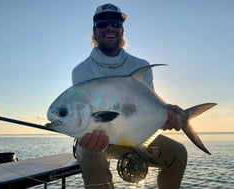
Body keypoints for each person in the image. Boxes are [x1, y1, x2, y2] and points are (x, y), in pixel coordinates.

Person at [73, 3, 187, 189]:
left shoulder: (140, 66)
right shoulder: (82, 71)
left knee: (178, 153)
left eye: (115, 23)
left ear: (122, 30)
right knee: (90, 152)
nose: (109, 27)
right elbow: (86, 117)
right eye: (102, 23)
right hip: (95, 137)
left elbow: (148, 106)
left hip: (136, 135)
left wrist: (166, 116)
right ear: (95, 31)